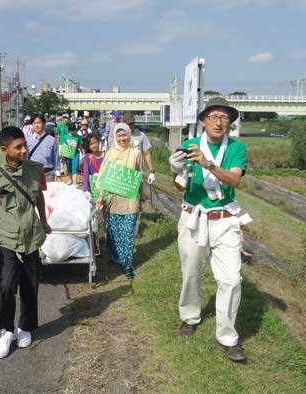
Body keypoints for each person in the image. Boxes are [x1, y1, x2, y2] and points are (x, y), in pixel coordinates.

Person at [168, 97, 247, 362]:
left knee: (231, 279)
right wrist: (176, 170)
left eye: (224, 117)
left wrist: (208, 164)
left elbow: (234, 179)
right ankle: (190, 317)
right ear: (203, 121)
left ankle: (227, 336)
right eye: (213, 116)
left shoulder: (237, 148)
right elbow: (181, 186)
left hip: (225, 219)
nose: (219, 122)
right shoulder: (190, 145)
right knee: (191, 272)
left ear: (230, 123)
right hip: (194, 217)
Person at [0, 126, 52, 359]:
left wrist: (45, 221)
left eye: (24, 145)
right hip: (8, 239)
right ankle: (7, 331)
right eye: (18, 147)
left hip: (31, 236)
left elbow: (39, 196)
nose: (24, 150)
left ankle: (25, 327)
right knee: (7, 287)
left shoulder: (36, 170)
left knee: (30, 287)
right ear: (4, 149)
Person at [96, 123, 146, 279]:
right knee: (113, 231)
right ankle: (114, 258)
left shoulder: (136, 153)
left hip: (130, 198)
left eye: (124, 135)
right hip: (112, 198)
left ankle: (128, 264)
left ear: (129, 135)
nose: (122, 138)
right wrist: (100, 196)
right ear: (115, 137)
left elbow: (139, 176)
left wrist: (142, 197)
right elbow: (104, 175)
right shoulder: (110, 153)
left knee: (128, 232)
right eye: (119, 135)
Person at [26, 113, 61, 182]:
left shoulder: (51, 139)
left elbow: (56, 156)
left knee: (47, 192)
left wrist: (58, 173)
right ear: (32, 125)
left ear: (44, 124)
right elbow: (26, 157)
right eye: (34, 123)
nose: (36, 125)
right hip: (32, 174)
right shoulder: (27, 140)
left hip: (48, 174)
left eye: (39, 123)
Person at [123, 114, 156, 185]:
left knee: (139, 194)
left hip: (138, 172)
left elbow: (147, 154)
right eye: (128, 124)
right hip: (123, 171)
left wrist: (152, 171)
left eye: (132, 123)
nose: (131, 126)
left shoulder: (141, 136)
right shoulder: (120, 136)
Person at [81, 134, 104, 198]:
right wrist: (85, 189)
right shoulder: (87, 157)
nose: (94, 145)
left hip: (105, 188)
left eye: (95, 143)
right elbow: (86, 173)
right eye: (91, 144)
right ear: (88, 146)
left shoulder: (105, 155)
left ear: (98, 142)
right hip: (94, 189)